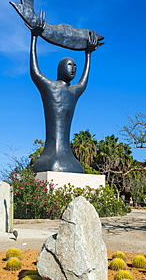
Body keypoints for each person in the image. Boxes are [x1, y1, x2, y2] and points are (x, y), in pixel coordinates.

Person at [27, 13, 100, 173]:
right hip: (50, 157)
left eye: (75, 66)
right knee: (53, 163)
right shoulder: (49, 86)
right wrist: (34, 38)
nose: (73, 68)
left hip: (68, 157)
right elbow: (34, 71)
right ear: (60, 68)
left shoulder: (73, 91)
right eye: (69, 65)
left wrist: (88, 55)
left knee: (74, 168)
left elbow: (84, 80)